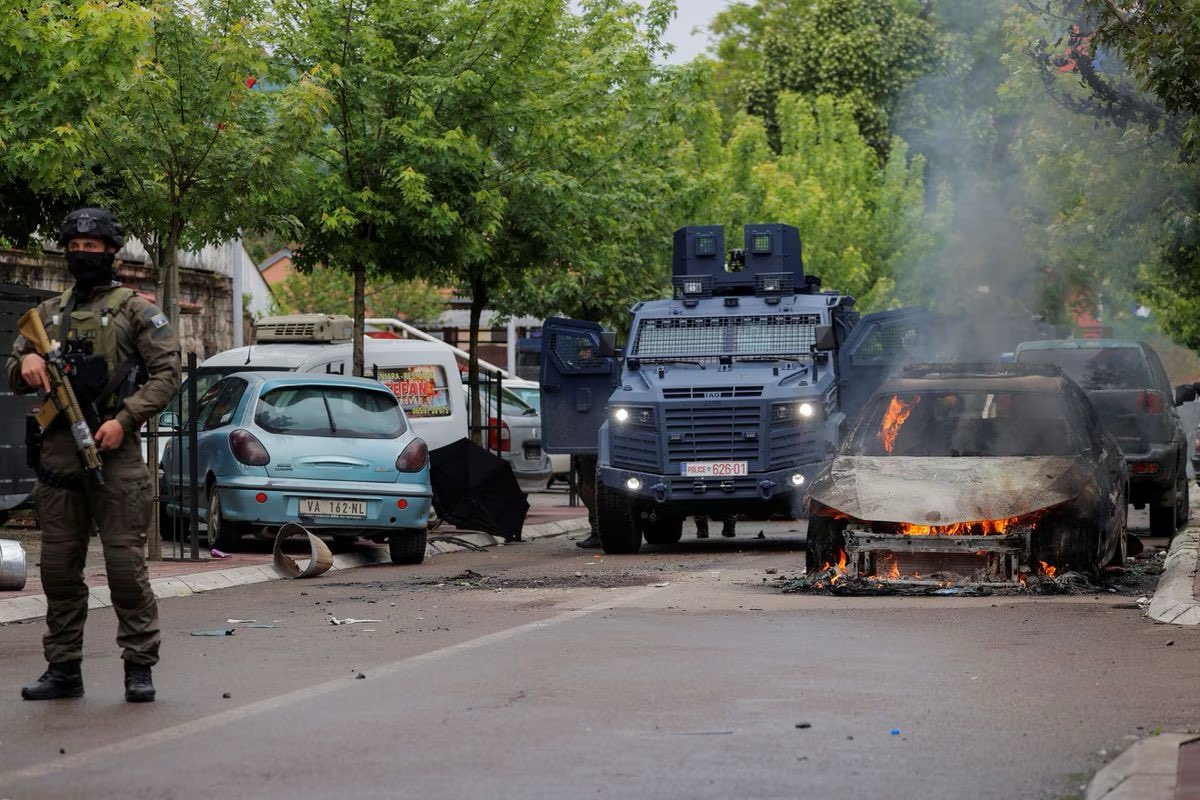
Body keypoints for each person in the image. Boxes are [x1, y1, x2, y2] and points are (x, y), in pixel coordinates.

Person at [7, 208, 181, 702]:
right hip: (60, 459)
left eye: (93, 247)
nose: (83, 255)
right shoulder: (46, 315)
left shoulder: (137, 311)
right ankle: (63, 670)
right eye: (75, 247)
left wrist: (123, 420)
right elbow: (11, 371)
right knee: (59, 571)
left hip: (116, 454)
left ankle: (138, 668)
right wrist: (30, 361)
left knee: (126, 571)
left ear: (111, 251)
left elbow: (166, 376)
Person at [572, 453, 600, 548]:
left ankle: (598, 532)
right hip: (583, 452)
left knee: (589, 490)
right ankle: (596, 532)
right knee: (584, 489)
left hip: (589, 453)